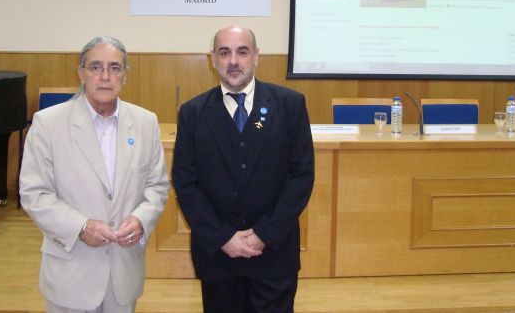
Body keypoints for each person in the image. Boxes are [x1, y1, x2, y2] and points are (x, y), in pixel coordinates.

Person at [20, 36, 169, 313]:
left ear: (124, 75)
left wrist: (141, 219)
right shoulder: (48, 124)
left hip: (123, 274)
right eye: (96, 67)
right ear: (81, 73)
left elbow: (157, 186)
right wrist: (80, 227)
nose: (105, 76)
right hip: (71, 273)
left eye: (114, 68)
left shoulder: (145, 123)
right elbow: (34, 194)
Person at [172, 26, 315, 313]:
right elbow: (186, 183)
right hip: (219, 257)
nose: (233, 61)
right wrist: (222, 237)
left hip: (274, 254)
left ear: (256, 56)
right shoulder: (192, 113)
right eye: (224, 53)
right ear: (213, 58)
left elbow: (301, 177)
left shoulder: (290, 105)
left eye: (242, 52)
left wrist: (265, 234)